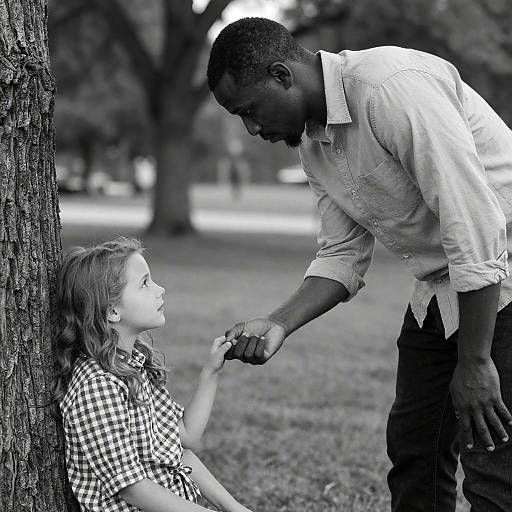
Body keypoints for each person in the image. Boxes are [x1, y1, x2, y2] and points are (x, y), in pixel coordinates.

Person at [207, 16, 512, 512]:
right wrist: (280, 323)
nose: (252, 128)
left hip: (499, 274)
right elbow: (342, 254)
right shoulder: (312, 145)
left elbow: (475, 222)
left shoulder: (390, 89)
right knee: (415, 449)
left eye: (250, 110)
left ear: (283, 75)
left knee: (493, 466)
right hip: (440, 288)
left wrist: (476, 362)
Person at [52, 237, 252, 512]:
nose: (160, 289)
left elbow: (183, 442)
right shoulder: (97, 385)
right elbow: (133, 489)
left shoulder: (133, 366)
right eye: (145, 283)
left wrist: (211, 372)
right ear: (112, 311)